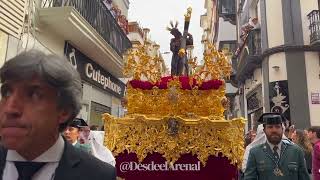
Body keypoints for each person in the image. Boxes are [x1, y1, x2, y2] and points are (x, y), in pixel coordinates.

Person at [0, 50, 116, 179]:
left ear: (64, 111)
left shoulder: (98, 175)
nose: (9, 109)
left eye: (33, 95)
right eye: (6, 93)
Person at [244, 113, 310, 180]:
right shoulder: (255, 153)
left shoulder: (296, 151)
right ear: (264, 130)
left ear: (282, 129)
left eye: (277, 127)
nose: (274, 130)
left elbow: (304, 177)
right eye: (270, 127)